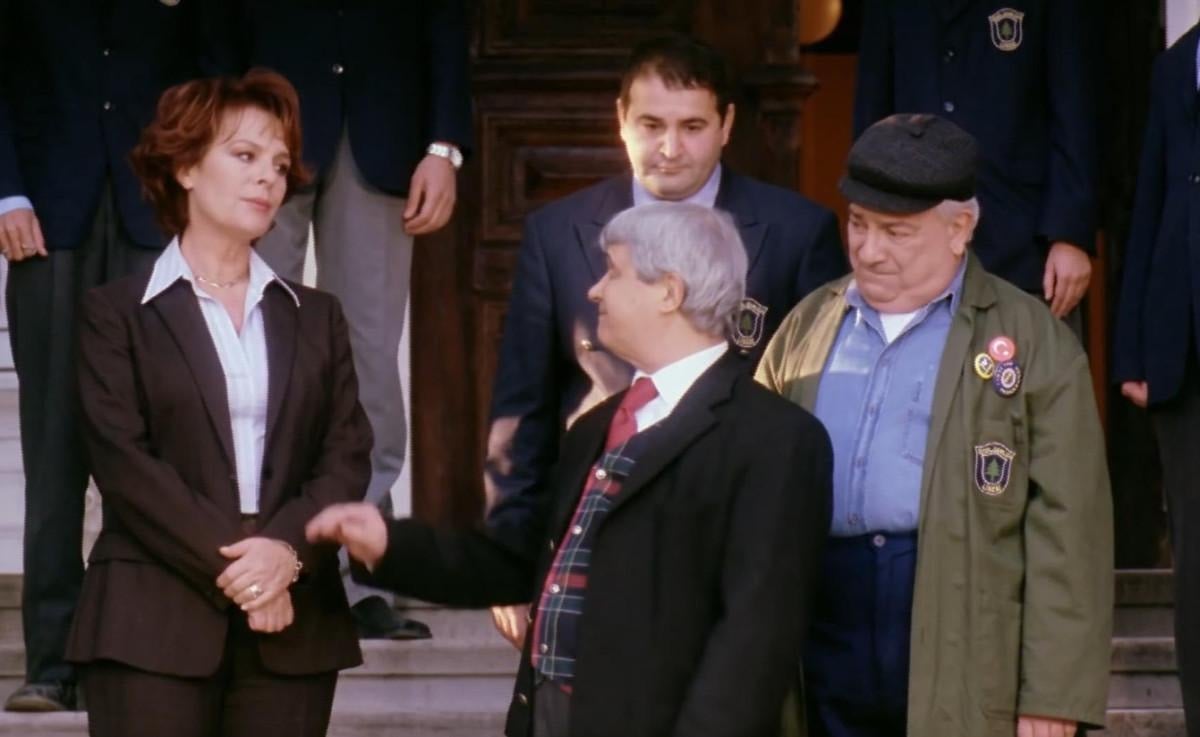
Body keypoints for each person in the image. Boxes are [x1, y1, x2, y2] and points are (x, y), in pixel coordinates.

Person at [308, 202, 833, 737]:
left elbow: (754, 640)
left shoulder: (775, 439)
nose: (594, 290)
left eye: (613, 271)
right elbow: (517, 564)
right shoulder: (596, 426)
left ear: (669, 292)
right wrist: (389, 546)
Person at [757, 114, 1112, 737]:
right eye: (858, 224)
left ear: (960, 229)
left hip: (962, 626)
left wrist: (1053, 695)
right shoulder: (808, 324)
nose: (868, 249)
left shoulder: (1032, 340)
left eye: (895, 231)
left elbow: (1069, 530)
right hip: (822, 615)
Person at [485, 34, 846, 645]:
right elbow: (524, 405)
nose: (670, 148)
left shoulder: (797, 231)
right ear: (620, 119)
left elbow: (819, 401)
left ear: (727, 125)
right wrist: (508, 557)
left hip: (735, 527)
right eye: (651, 124)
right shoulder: (556, 231)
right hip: (593, 518)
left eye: (693, 126)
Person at [66, 70, 371, 737]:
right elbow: (123, 465)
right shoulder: (114, 313)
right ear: (184, 168)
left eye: (281, 164)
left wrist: (286, 553)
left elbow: (346, 456)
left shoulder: (317, 316)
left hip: (295, 622)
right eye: (245, 155)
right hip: (150, 619)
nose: (268, 177)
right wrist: (251, 573)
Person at [0, 0, 236, 710]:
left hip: (155, 218)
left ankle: (151, 652)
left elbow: (220, 73)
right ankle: (52, 661)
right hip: (47, 220)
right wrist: (5, 193)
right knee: (53, 448)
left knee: (163, 444)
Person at [233, 0, 473, 640]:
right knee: (255, 351)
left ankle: (366, 574)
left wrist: (444, 148)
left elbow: (445, 21)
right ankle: (263, 560)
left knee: (368, 359)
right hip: (260, 136)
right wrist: (219, 136)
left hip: (381, 133)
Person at [853, 0, 1099, 326]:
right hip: (913, 238)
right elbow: (873, 116)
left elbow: (1074, 113)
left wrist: (1069, 236)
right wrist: (873, 228)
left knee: (1033, 353)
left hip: (1024, 241)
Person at [1114, 22, 1200, 737]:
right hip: (1184, 352)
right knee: (1195, 563)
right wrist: (1133, 349)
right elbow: (1151, 201)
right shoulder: (1176, 64)